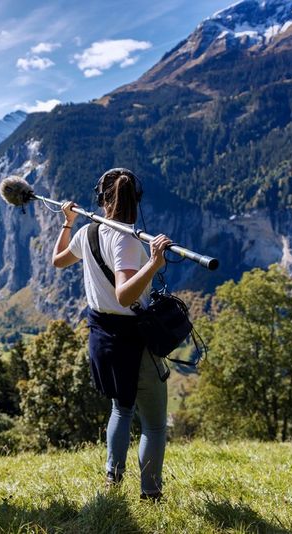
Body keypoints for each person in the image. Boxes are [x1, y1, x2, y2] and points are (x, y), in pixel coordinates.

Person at [51, 168, 172, 501]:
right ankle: (150, 494)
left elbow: (57, 261)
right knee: (155, 425)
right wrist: (154, 263)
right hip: (134, 340)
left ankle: (112, 480)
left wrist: (67, 221)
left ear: (102, 199)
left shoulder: (88, 232)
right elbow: (125, 295)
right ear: (137, 199)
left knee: (121, 409)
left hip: (103, 338)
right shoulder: (128, 239)